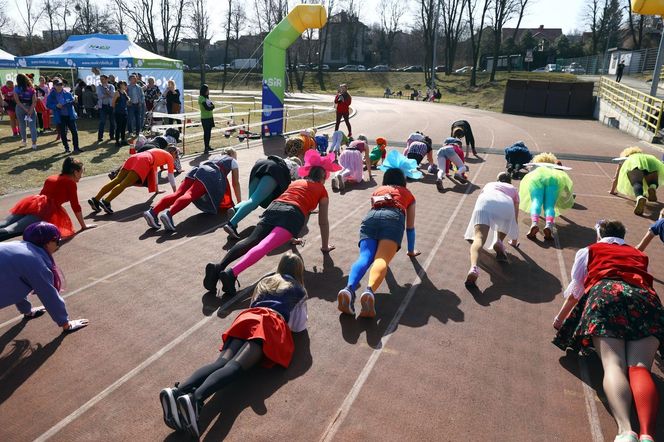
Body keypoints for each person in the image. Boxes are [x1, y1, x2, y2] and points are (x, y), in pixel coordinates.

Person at [160, 252, 308, 438]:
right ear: (299, 270)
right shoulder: (298, 289)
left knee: (220, 362)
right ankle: (195, 399)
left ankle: (178, 391)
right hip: (268, 324)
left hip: (248, 317)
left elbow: (254, 302)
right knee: (235, 367)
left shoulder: (266, 281)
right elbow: (298, 326)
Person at [553, 220, 663, 442]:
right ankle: (647, 434)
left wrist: (560, 318)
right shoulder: (638, 254)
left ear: (599, 234)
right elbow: (647, 281)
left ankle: (625, 430)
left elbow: (577, 289)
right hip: (644, 299)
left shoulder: (589, 251)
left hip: (606, 294)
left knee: (614, 365)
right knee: (640, 367)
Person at [203, 150, 339, 296]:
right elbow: (322, 222)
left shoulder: (297, 182)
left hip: (275, 207)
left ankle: (219, 266)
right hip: (292, 216)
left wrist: (292, 237)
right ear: (323, 176)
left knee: (251, 240)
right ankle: (231, 274)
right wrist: (325, 247)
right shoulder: (322, 191)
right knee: (264, 246)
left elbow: (291, 200)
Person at [337, 150, 421, 318]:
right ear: (403, 180)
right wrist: (411, 250)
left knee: (365, 257)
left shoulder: (378, 190)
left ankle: (348, 290)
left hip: (371, 218)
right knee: (381, 259)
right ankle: (368, 292)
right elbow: (410, 227)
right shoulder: (408, 195)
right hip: (393, 219)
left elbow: (377, 208)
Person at [0, 222, 89, 332]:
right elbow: (49, 295)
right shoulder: (34, 261)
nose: (58, 244)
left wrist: (27, 311)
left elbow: (14, 281)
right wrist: (65, 323)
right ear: (47, 242)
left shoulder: (19, 246)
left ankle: (27, 312)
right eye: (57, 240)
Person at [143, 148, 241, 231]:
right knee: (190, 195)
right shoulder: (233, 161)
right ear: (232, 154)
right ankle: (169, 214)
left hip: (197, 169)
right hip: (209, 174)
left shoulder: (216, 157)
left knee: (178, 193)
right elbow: (235, 183)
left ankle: (153, 212)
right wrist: (240, 203)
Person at [0, 157, 95, 241]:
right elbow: (75, 206)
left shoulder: (52, 177)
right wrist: (83, 226)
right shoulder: (70, 183)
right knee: (11, 230)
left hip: (31, 204)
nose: (81, 176)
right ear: (75, 172)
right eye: (81, 173)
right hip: (43, 211)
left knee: (5, 223)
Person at [223, 156, 301, 239]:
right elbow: (298, 185)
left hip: (260, 165)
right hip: (273, 171)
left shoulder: (284, 161)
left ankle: (235, 209)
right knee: (254, 201)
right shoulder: (296, 167)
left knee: (252, 201)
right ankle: (231, 224)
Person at [463, 172, 519, 286]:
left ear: (497, 180)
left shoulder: (489, 184)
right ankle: (499, 241)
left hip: (485, 202)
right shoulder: (513, 188)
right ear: (509, 181)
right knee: (504, 219)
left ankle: (474, 268)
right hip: (506, 204)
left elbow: (480, 200)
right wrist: (514, 240)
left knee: (478, 238)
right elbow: (515, 215)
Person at [88, 146, 178, 214]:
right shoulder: (169, 157)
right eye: (176, 155)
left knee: (117, 180)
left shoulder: (160, 153)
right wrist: (176, 193)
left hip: (134, 157)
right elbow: (170, 176)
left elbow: (154, 174)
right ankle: (106, 201)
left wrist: (157, 190)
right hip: (144, 160)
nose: (176, 157)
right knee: (124, 184)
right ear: (172, 152)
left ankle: (96, 199)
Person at [519, 152, 574, 241]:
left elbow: (529, 170)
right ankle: (549, 225)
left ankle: (534, 223)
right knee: (549, 205)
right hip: (553, 180)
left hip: (537, 179)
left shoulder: (536, 168)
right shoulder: (553, 171)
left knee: (536, 201)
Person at [609, 147, 664, 216]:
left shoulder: (626, 158)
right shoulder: (645, 156)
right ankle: (652, 187)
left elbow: (616, 177)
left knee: (637, 183)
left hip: (634, 163)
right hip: (651, 161)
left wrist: (612, 191)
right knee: (652, 180)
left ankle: (639, 197)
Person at [47, 80, 81, 153]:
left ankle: (76, 148)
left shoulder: (67, 93)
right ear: (54, 86)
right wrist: (55, 105)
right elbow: (48, 105)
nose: (59, 86)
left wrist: (75, 100)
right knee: (63, 132)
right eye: (57, 85)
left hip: (70, 115)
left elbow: (72, 102)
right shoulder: (51, 95)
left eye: (61, 85)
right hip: (60, 116)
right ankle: (67, 148)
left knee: (74, 132)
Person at [13, 73, 38, 150]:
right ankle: (34, 144)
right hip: (31, 107)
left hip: (20, 108)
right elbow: (34, 101)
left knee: (22, 125)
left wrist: (25, 109)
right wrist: (30, 110)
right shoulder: (31, 88)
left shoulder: (16, 88)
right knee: (32, 126)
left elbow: (17, 101)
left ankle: (24, 141)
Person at [96, 74, 116, 141]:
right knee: (102, 121)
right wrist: (108, 94)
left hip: (110, 106)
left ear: (107, 79)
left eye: (103, 79)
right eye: (100, 79)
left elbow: (113, 95)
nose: (101, 81)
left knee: (112, 122)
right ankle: (100, 137)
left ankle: (112, 136)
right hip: (103, 106)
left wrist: (106, 91)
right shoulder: (98, 87)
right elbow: (99, 96)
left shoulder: (111, 86)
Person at [112, 80, 130, 147]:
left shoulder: (124, 92)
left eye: (125, 84)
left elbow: (127, 101)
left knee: (123, 127)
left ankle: (123, 140)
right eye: (124, 84)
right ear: (120, 85)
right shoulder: (117, 92)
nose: (125, 85)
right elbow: (113, 103)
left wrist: (128, 100)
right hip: (118, 112)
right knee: (118, 127)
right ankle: (117, 141)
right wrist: (116, 109)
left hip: (124, 112)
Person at [198, 84, 215, 153]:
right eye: (207, 90)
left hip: (210, 117)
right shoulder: (201, 98)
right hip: (205, 118)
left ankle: (208, 146)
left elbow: (212, 106)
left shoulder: (207, 98)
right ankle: (206, 147)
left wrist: (212, 107)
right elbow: (207, 108)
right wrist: (212, 107)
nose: (208, 91)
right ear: (204, 90)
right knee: (206, 132)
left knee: (209, 132)